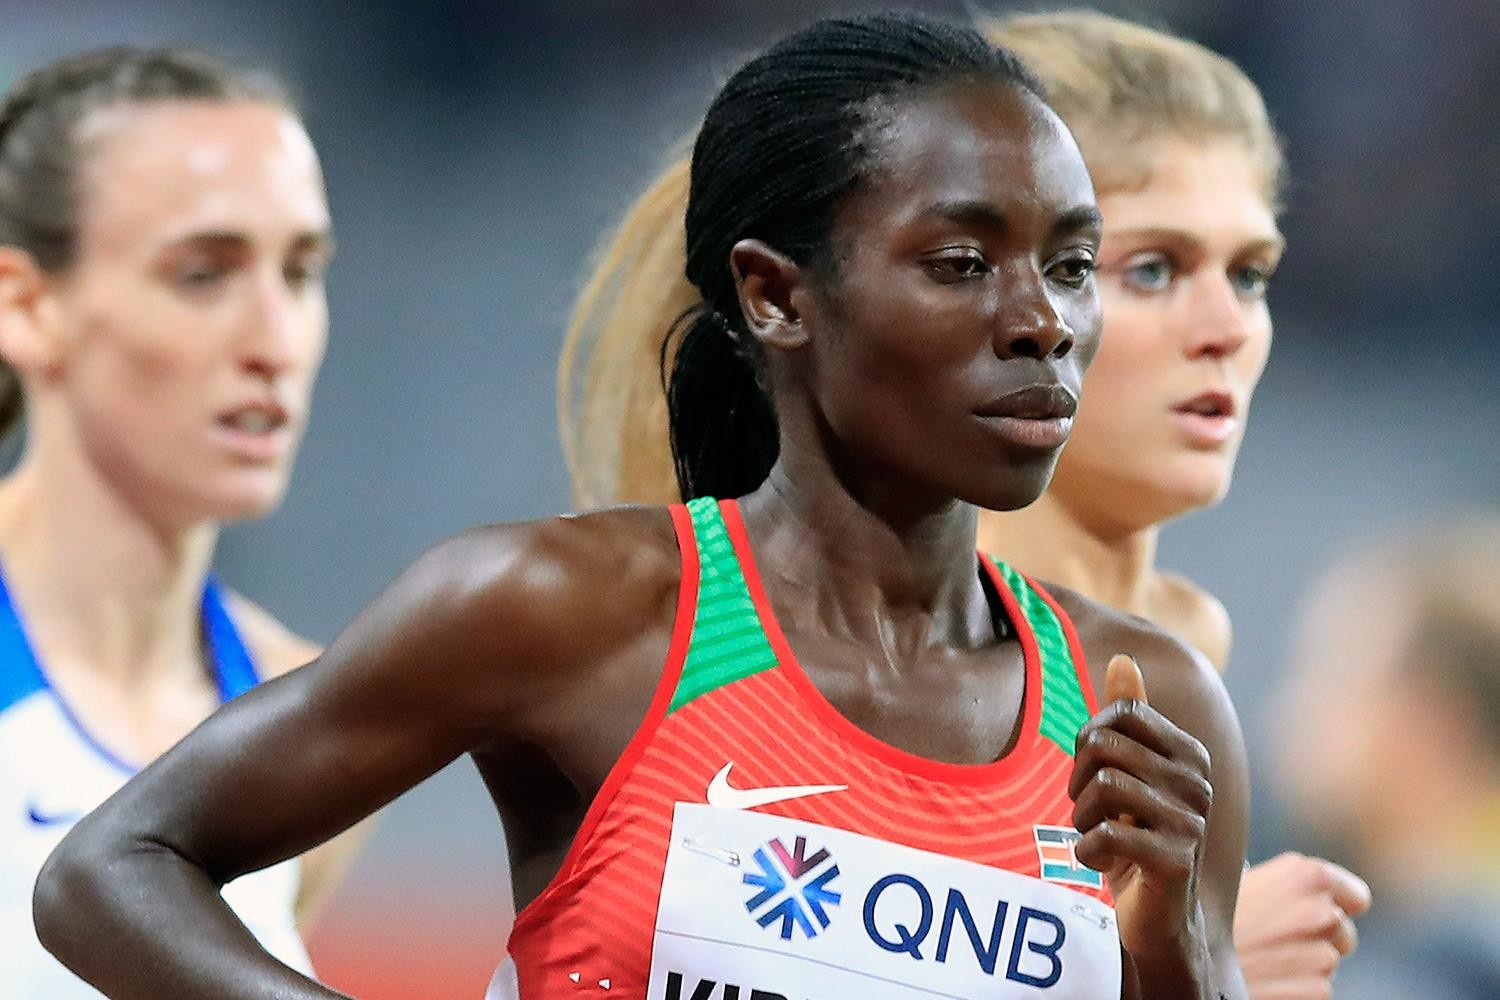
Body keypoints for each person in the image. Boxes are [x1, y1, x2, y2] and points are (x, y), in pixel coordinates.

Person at [34, 14, 1250, 999]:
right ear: (776, 296)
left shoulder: (1148, 707)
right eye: (962, 263)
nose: (1043, 321)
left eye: (1072, 265)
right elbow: (110, 869)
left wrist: (1176, 950)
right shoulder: (575, 613)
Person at [556, 10, 1367, 999]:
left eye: (1251, 274)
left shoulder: (1172, 671)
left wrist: (1186, 959)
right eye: (1151, 269)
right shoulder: (678, 629)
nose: (1227, 327)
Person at [0, 46, 360, 995]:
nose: (276, 342)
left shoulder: (303, 710)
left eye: (301, 271)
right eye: (203, 274)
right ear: (25, 306)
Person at [1272, 515, 1500, 999]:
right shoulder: (1400, 927)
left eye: (1335, 676)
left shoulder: (1446, 970)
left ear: (1431, 728)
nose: (1289, 709)